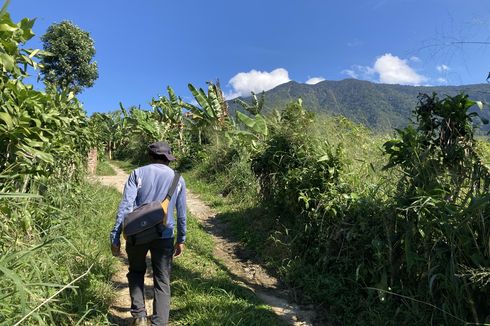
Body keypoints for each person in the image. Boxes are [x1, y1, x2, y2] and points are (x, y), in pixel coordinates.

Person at [110, 141, 187, 326]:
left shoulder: (137, 173)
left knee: (136, 271)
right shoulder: (178, 178)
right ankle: (159, 322)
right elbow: (181, 213)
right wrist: (181, 238)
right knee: (162, 279)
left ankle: (140, 316)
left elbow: (126, 206)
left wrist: (115, 235)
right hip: (164, 234)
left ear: (150, 156)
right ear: (168, 158)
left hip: (137, 234)